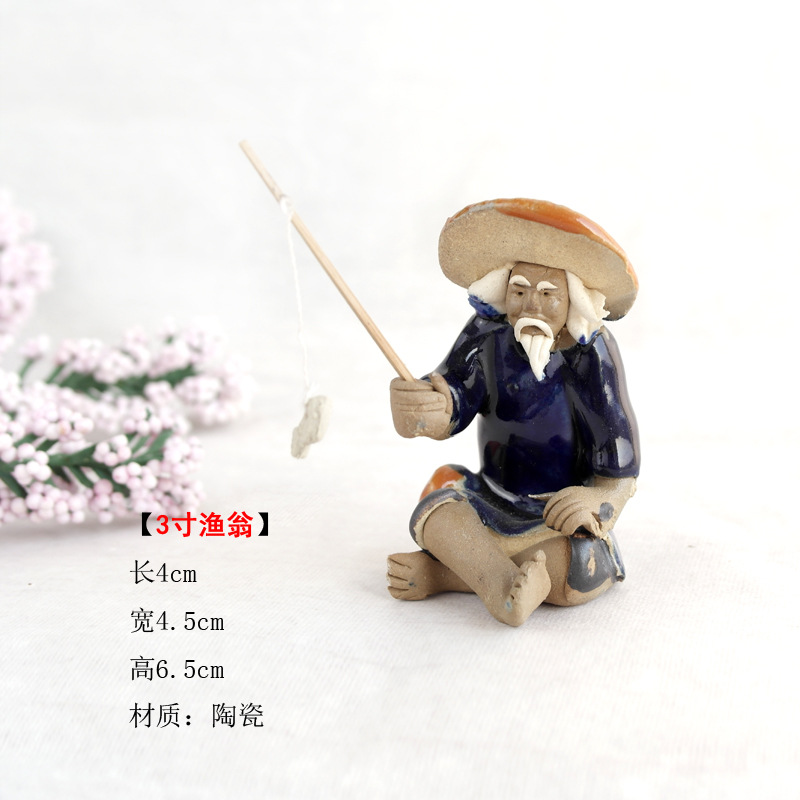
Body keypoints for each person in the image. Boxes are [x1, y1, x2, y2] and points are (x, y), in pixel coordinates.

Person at [387, 198, 640, 626]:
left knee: (579, 566)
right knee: (439, 499)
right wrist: (421, 408)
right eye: (519, 292)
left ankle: (449, 573)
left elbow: (619, 463)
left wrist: (596, 500)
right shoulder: (486, 333)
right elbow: (453, 394)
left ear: (573, 298)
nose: (531, 307)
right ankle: (502, 584)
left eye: (548, 295)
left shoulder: (591, 353)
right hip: (491, 494)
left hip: (555, 512)